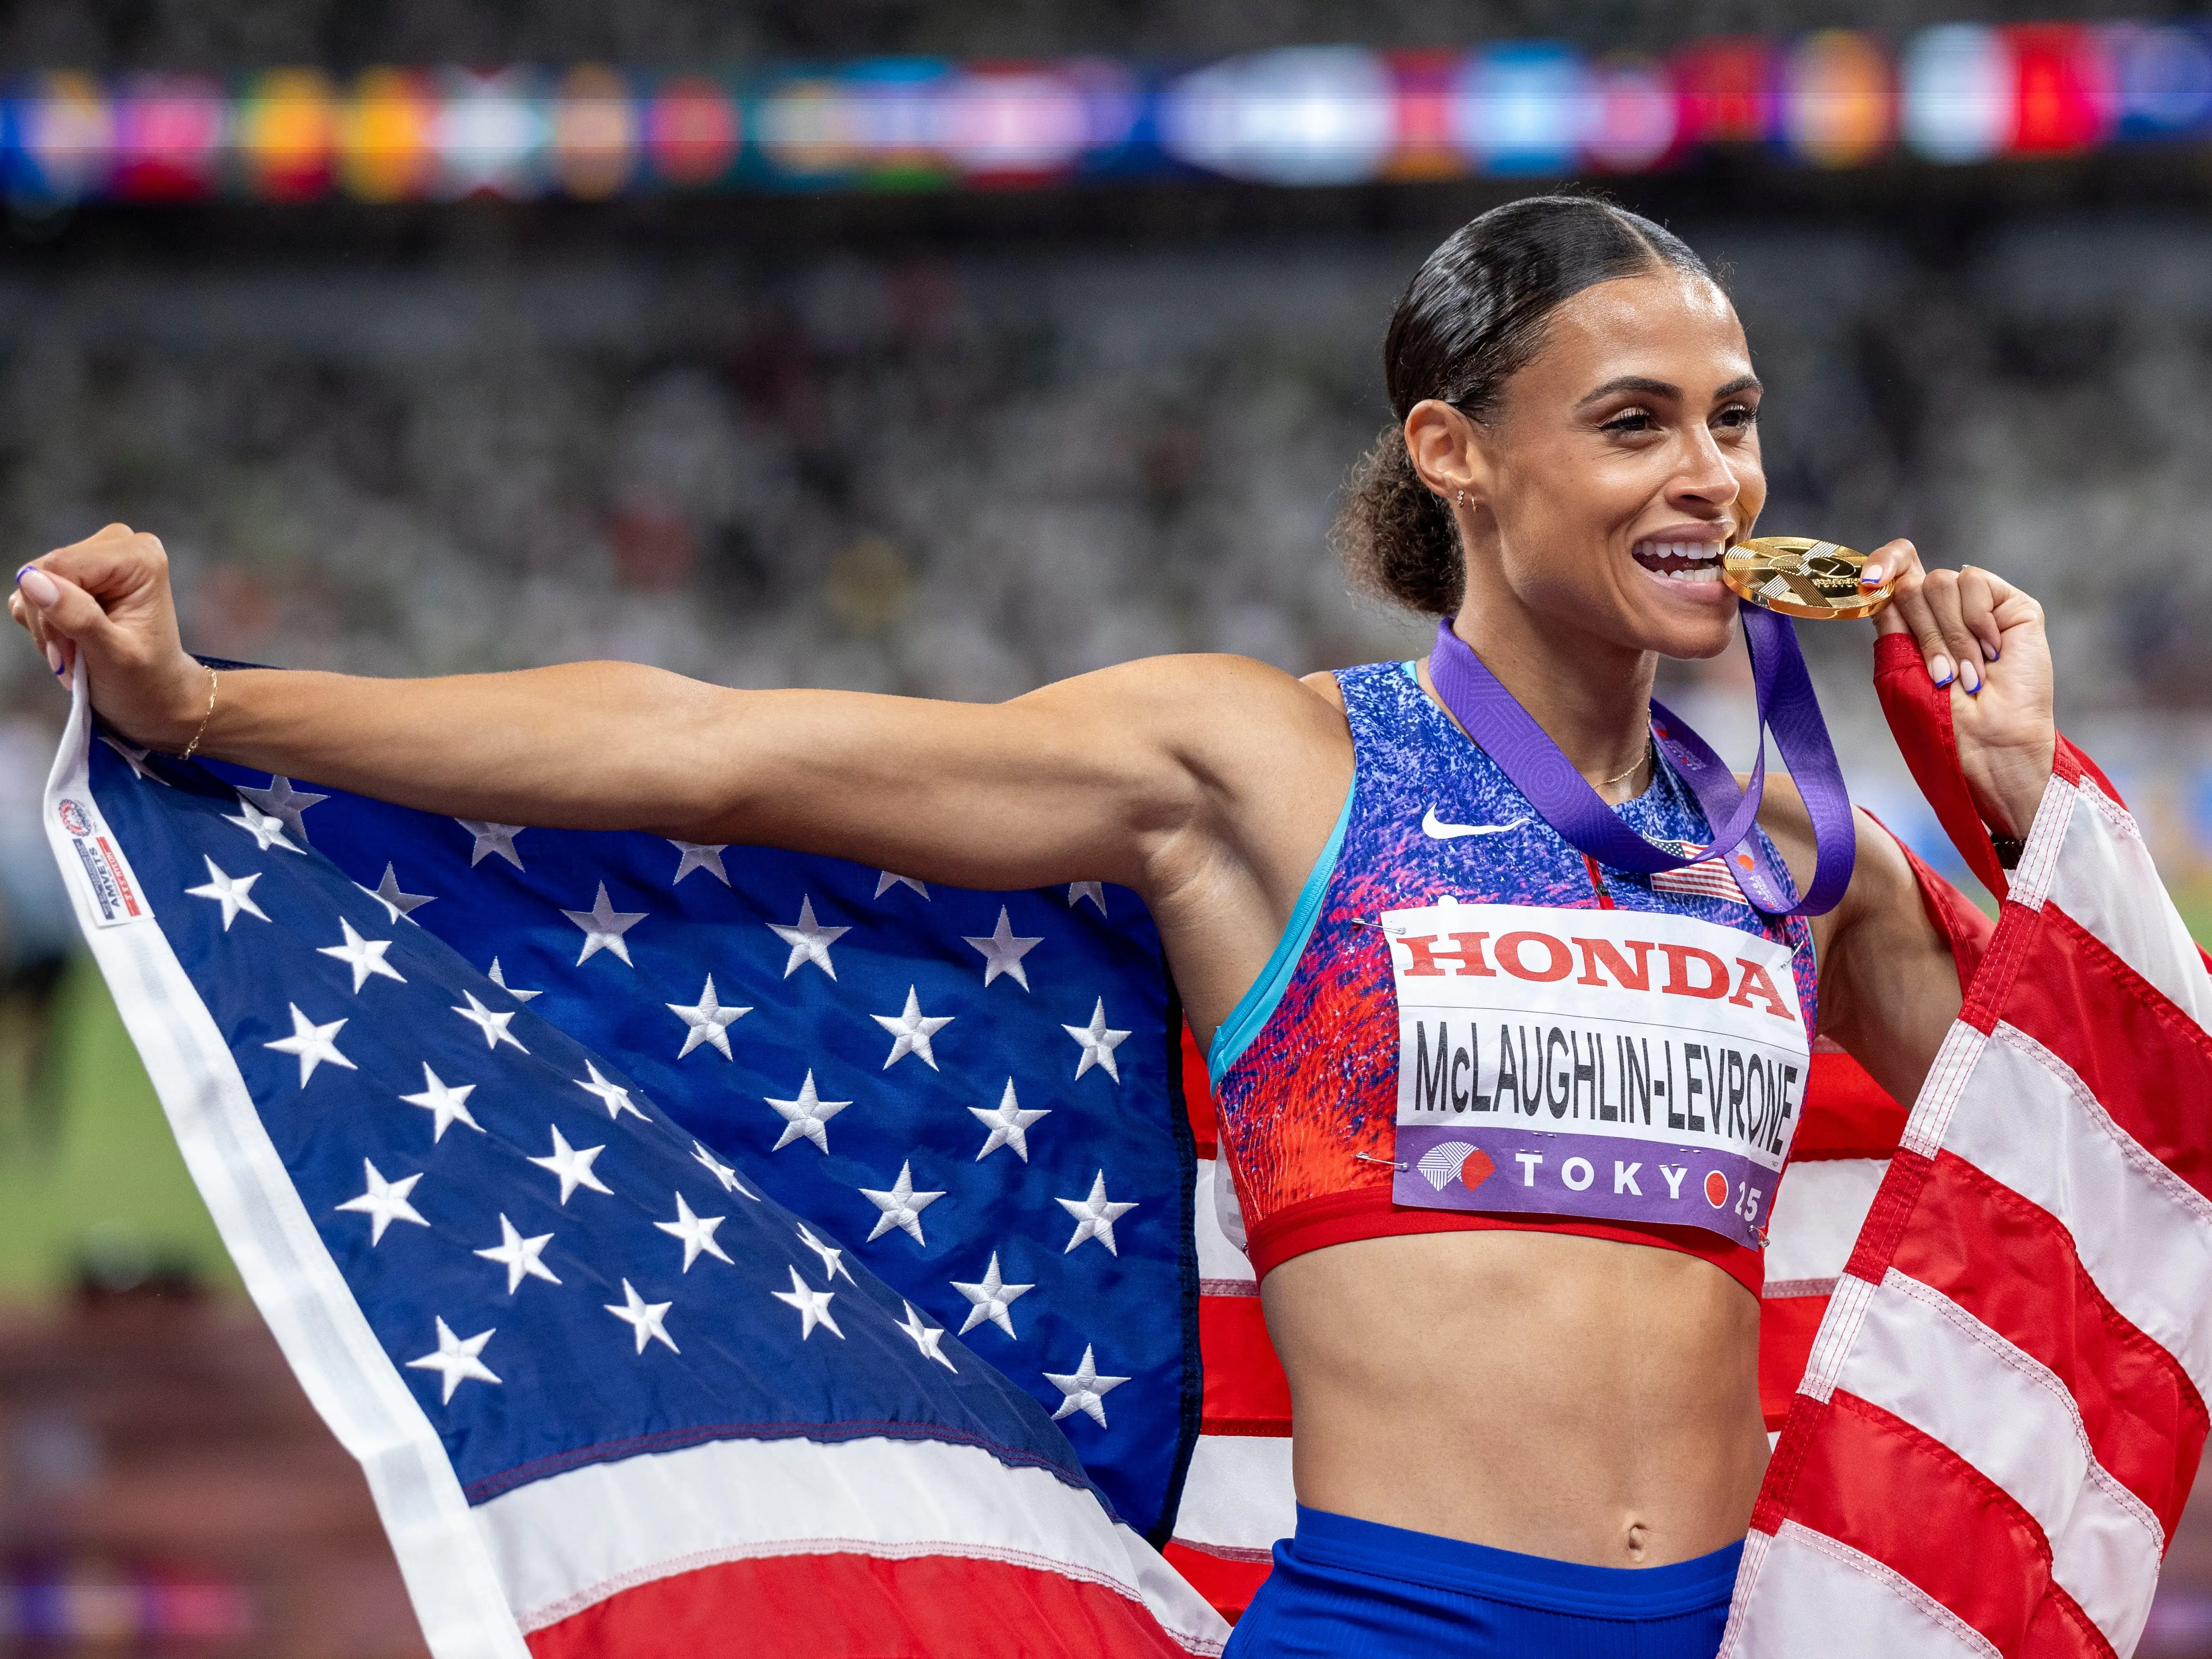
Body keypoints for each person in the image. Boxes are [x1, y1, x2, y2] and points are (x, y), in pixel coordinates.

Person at [9, 196, 2053, 1657]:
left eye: (1734, 414)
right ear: (1454, 455)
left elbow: (2079, 1129)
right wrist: (214, 708)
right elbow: (706, 749)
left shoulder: (1790, 837)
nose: (1712, 470)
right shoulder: (1257, 771)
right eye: (1635, 421)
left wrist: (2015, 796)